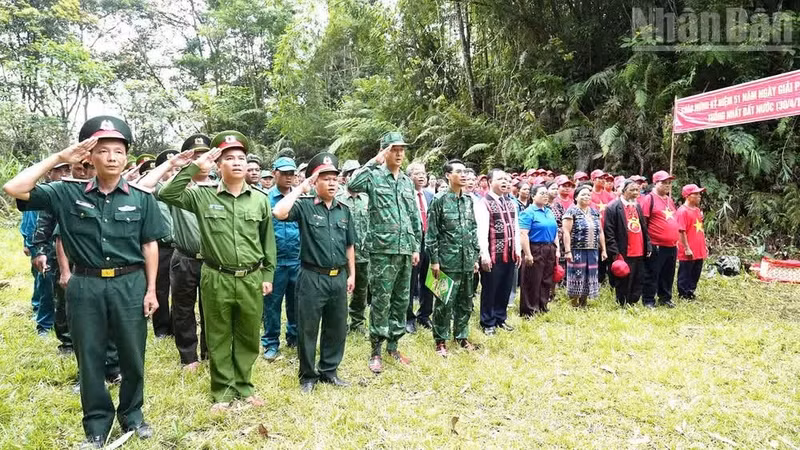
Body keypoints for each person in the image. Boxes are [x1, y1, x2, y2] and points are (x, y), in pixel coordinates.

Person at [4, 116, 168, 447]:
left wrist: (151, 290)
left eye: (118, 151)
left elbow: (149, 244)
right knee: (89, 356)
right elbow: (14, 188)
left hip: (129, 283)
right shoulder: (66, 192)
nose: (111, 157)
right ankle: (96, 424)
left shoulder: (141, 197)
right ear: (89, 157)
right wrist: (59, 157)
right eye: (103, 150)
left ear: (127, 157)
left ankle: (133, 416)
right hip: (84, 284)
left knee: (132, 354)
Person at [158, 131, 276, 411]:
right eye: (229, 158)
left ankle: (244, 386)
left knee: (248, 335)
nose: (237, 162)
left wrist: (268, 274)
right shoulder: (202, 195)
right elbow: (167, 193)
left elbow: (267, 240)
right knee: (218, 335)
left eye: (241, 158)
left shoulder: (259, 199)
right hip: (216, 276)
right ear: (218, 165)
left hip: (251, 278)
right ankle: (223, 391)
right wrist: (194, 167)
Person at [273, 152, 356, 393]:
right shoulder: (305, 206)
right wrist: (301, 188)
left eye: (334, 179)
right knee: (308, 328)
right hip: (312, 277)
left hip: (338, 277)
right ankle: (308, 375)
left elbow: (349, 245)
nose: (332, 183)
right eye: (325, 178)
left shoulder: (344, 210)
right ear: (315, 181)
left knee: (336, 327)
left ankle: (329, 370)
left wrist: (352, 274)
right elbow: (279, 212)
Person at [136, 134, 213, 369]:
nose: (202, 161)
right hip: (184, 258)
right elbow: (143, 186)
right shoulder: (176, 187)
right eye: (196, 156)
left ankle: (210, 353)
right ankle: (188, 357)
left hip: (213, 259)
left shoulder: (220, 185)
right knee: (183, 309)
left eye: (206, 155)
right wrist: (174, 165)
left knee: (212, 310)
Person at [348, 131, 421, 373]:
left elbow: (413, 216)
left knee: (401, 300)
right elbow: (352, 185)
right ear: (384, 151)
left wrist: (415, 246)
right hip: (382, 249)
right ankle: (376, 350)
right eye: (394, 149)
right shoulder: (374, 176)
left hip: (404, 249)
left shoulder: (407, 181)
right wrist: (373, 161)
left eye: (402, 149)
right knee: (381, 300)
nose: (399, 154)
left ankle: (393, 346)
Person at [426, 159, 480, 356]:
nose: (463, 175)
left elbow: (472, 229)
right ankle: (440, 340)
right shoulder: (439, 200)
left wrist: (475, 256)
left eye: (465, 171)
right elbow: (431, 234)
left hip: (466, 260)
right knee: (443, 303)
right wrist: (434, 261)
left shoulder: (468, 200)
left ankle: (461, 336)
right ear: (448, 176)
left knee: (465, 301)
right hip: (446, 261)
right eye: (459, 172)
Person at [261, 156, 301, 361]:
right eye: (284, 173)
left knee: (297, 302)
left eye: (291, 173)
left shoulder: (300, 199)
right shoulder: (264, 199)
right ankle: (271, 342)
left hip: (297, 259)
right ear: (274, 173)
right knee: (271, 305)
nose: (288, 177)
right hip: (274, 262)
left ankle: (294, 337)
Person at [476, 169, 520, 333]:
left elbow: (515, 228)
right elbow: (481, 231)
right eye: (500, 179)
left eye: (507, 180)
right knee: (490, 289)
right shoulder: (484, 203)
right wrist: (484, 254)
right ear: (490, 182)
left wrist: (518, 249)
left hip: (509, 253)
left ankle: (500, 318)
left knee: (505, 287)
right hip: (493, 254)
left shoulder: (510, 202)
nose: (505, 182)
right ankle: (488, 322)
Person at [604, 179, 651, 306]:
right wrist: (615, 252)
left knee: (638, 278)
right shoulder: (613, 207)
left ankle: (633, 302)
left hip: (639, 249)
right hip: (624, 250)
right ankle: (622, 303)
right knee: (624, 279)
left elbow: (644, 228)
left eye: (637, 190)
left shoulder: (637, 206)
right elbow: (609, 232)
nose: (636, 192)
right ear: (624, 191)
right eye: (632, 190)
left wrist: (648, 245)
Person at [336, 160, 370, 332]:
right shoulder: (338, 199)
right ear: (345, 178)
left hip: (363, 253)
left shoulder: (366, 199)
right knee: (340, 290)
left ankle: (357, 322)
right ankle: (340, 323)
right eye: (352, 174)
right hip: (342, 253)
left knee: (361, 290)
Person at [562, 184, 607, 308]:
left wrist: (603, 249)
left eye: (588, 194)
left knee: (589, 275)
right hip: (577, 250)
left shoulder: (594, 212)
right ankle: (574, 303)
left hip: (592, 250)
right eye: (583, 194)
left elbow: (600, 232)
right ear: (576, 197)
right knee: (577, 275)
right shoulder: (571, 212)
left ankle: (584, 302)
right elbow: (566, 232)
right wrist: (567, 251)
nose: (586, 197)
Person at [149, 149, 178, 339]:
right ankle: (161, 328)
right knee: (161, 288)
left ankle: (176, 326)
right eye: (170, 169)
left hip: (179, 248)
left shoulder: (184, 190)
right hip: (161, 247)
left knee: (179, 290)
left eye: (177, 170)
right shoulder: (153, 191)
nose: (173, 173)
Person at [518, 184, 559, 315]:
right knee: (532, 279)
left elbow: (555, 231)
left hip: (549, 247)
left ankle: (542, 305)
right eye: (542, 193)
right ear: (533, 196)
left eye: (546, 193)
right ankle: (529, 309)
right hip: (535, 247)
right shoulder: (528, 212)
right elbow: (523, 234)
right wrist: (528, 254)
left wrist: (557, 249)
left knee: (546, 279)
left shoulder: (549, 211)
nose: (545, 196)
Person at [640, 171, 679, 308]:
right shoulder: (649, 199)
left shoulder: (669, 200)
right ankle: (648, 299)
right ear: (655, 183)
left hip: (671, 244)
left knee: (668, 273)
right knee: (652, 272)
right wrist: (647, 243)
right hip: (656, 244)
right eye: (664, 183)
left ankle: (665, 298)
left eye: (669, 183)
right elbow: (643, 222)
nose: (667, 185)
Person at [405, 162, 434, 333]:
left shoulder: (430, 195)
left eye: (423, 173)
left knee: (430, 279)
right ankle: (408, 318)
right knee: (410, 281)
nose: (421, 176)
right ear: (409, 177)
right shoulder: (405, 195)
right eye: (417, 173)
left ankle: (425, 315)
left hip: (429, 242)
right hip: (412, 242)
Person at [676, 184, 708, 300]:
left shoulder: (697, 210)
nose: (699, 196)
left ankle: (691, 291)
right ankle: (683, 293)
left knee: (696, 271)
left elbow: (700, 230)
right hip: (689, 247)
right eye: (696, 194)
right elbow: (681, 231)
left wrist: (704, 245)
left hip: (698, 247)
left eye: (699, 194)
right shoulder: (682, 211)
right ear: (688, 196)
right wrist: (686, 248)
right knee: (685, 271)